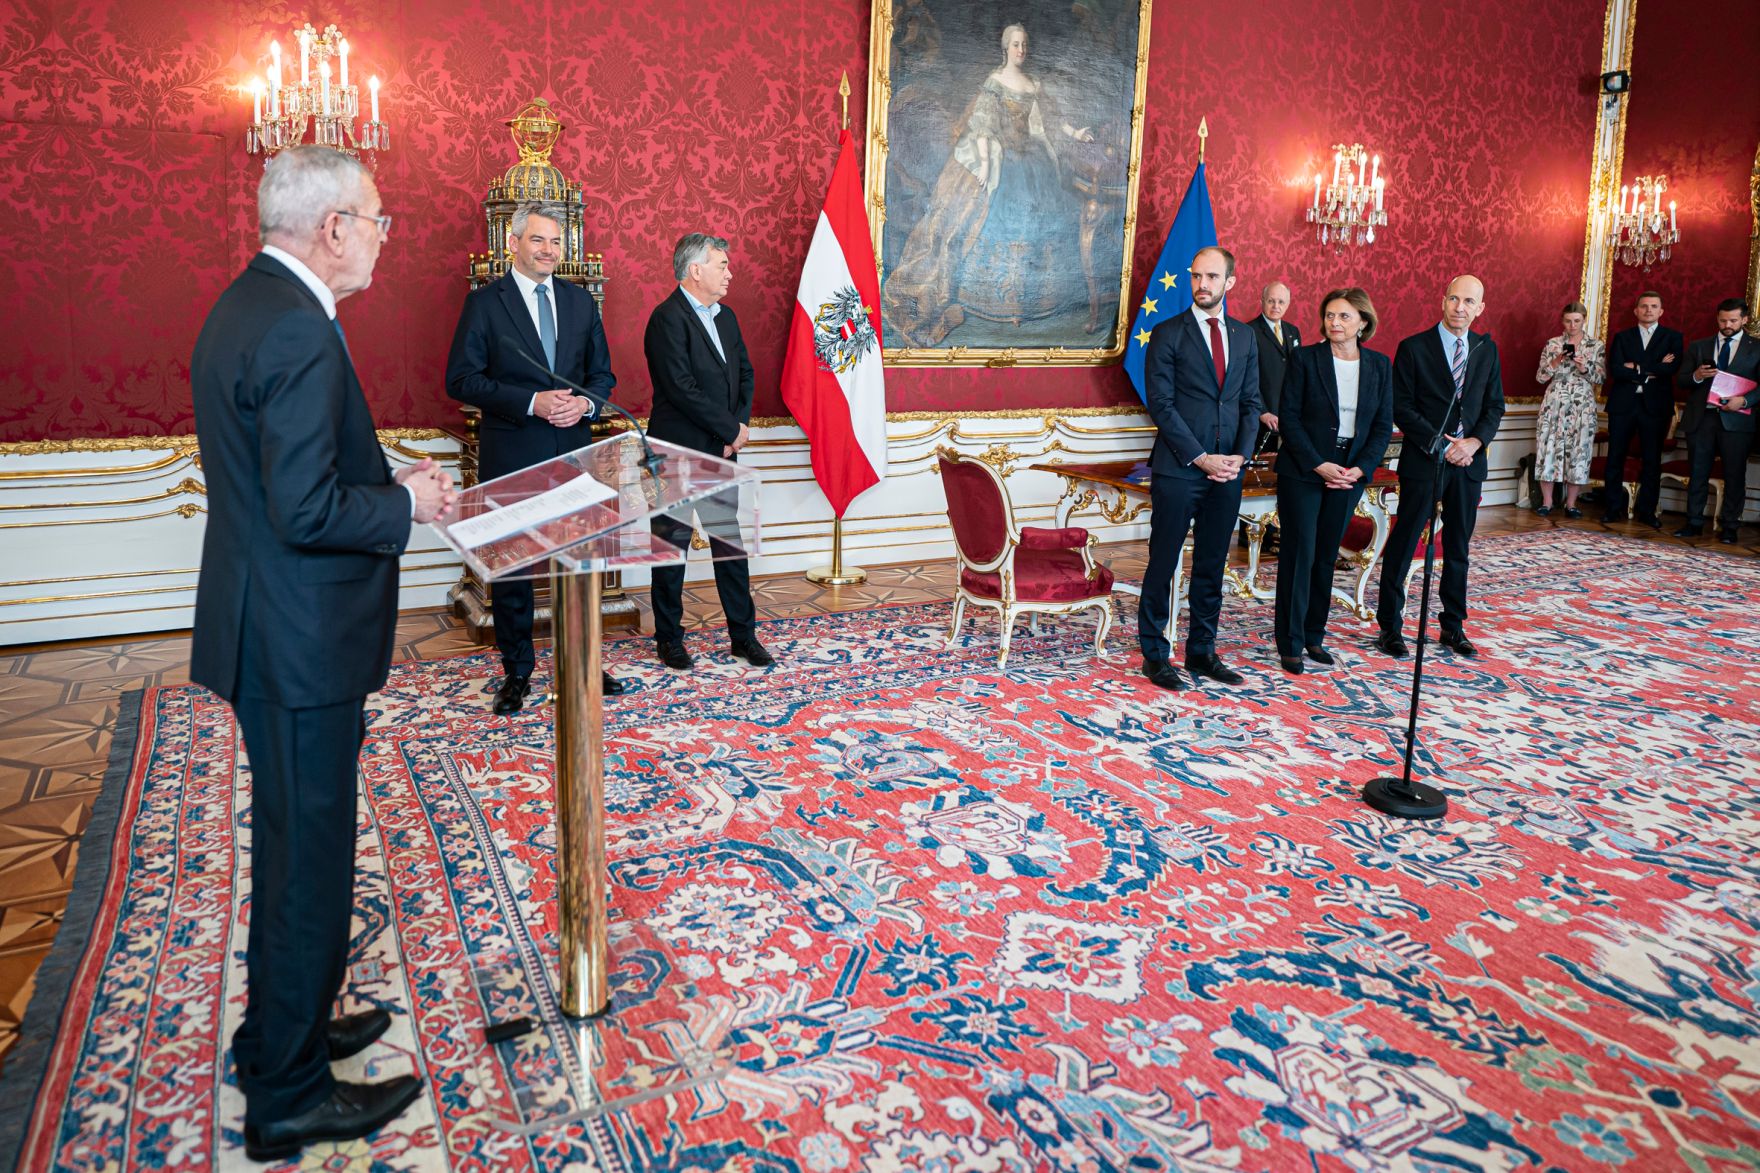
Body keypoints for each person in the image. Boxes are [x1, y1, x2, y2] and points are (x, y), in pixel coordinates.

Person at [188, 146, 448, 1161]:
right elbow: (303, 509)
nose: (385, 234)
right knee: (309, 865)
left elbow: (284, 467)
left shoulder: (248, 305)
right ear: (333, 226)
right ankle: (288, 1094)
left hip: (268, 625)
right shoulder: (299, 329)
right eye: (378, 218)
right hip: (299, 641)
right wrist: (408, 505)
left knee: (297, 849)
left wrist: (383, 471)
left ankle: (274, 1036)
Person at [446, 201, 624, 713]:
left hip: (574, 451)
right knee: (515, 569)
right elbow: (461, 379)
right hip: (514, 451)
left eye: (556, 242)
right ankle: (517, 670)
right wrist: (532, 402)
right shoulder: (485, 304)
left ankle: (581, 660)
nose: (549, 251)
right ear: (514, 244)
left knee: (579, 565)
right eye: (539, 241)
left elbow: (602, 374)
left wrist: (586, 403)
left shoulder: (579, 302)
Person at [881, 23, 1095, 347]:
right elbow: (982, 125)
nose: (1021, 50)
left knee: (1036, 222)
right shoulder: (995, 83)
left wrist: (1075, 134)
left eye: (1024, 44)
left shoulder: (1033, 83)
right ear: (1006, 48)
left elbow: (1051, 118)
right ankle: (991, 299)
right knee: (995, 218)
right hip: (1001, 159)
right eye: (1016, 45)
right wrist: (983, 164)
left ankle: (1032, 301)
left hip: (1032, 160)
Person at [644, 233, 773, 671]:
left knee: (728, 544)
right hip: (676, 452)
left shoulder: (727, 317)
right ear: (695, 270)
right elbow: (681, 389)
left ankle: (743, 636)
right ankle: (669, 640)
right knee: (670, 548)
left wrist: (737, 430)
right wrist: (728, 429)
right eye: (722, 264)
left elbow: (744, 373)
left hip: (722, 449)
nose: (729, 272)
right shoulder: (667, 319)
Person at [1137, 245, 1262, 691]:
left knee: (1211, 564)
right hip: (1179, 469)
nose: (1201, 284)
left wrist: (1240, 457)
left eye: (1211, 277)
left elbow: (1251, 403)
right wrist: (1200, 457)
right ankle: (1155, 654)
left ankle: (1202, 651)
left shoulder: (1246, 337)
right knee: (1163, 562)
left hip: (1228, 470)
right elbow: (1162, 406)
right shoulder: (1167, 333)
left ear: (1230, 282)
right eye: (1196, 276)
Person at [1374, 275, 1505, 659]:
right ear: (1443, 301)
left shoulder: (1486, 349)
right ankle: (1391, 628)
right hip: (1424, 461)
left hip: (1469, 463)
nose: (1459, 307)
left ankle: (1453, 627)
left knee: (1458, 547)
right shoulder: (1414, 347)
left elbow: (1494, 406)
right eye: (1453, 299)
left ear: (1480, 308)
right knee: (1404, 542)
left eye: (1468, 301)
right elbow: (1402, 405)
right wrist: (1439, 444)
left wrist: (1473, 443)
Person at [1272, 288, 1393, 674]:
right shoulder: (1305, 359)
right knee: (1300, 553)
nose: (1334, 323)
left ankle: (1313, 636)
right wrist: (1318, 465)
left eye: (1343, 316)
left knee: (1327, 556)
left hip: (1350, 470)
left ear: (1363, 322)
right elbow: (1288, 418)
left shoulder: (1378, 365)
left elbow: (1380, 425)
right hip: (1305, 470)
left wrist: (1361, 467)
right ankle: (1290, 642)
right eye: (1329, 316)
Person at [1673, 298, 1759, 542]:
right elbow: (1681, 380)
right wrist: (1697, 376)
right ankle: (1693, 522)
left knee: (1734, 474)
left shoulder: (1757, 348)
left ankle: (1730, 526)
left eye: (1733, 320)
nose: (1727, 324)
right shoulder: (1699, 346)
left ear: (1744, 319)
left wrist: (1744, 401)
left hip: (1737, 420)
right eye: (1723, 320)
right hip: (1702, 418)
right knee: (1697, 472)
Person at [1602, 292, 1682, 526]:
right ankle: (1612, 508)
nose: (1648, 310)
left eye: (1654, 306)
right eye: (1644, 306)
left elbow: (1671, 369)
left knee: (1651, 461)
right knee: (1615, 458)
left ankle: (1648, 512)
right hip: (1623, 405)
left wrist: (1635, 366)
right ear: (1636, 310)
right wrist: (1653, 367)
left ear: (1661, 311)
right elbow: (1616, 369)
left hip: (1655, 407)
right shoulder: (1622, 337)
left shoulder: (1672, 337)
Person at [1532, 302, 1606, 517]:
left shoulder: (1595, 345)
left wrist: (1584, 366)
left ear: (1584, 320)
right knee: (1548, 449)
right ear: (1562, 321)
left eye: (1577, 321)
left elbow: (1601, 377)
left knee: (1579, 452)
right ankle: (1547, 502)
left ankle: (1571, 504)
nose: (1572, 325)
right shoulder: (1553, 343)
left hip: (1582, 405)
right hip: (1554, 403)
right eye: (1568, 320)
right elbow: (1540, 377)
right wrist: (1557, 359)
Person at [1248, 281, 1301, 448]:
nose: (1276, 306)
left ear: (1288, 304)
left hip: (1289, 417)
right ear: (1262, 301)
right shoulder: (1248, 331)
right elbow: (1247, 378)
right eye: (1271, 301)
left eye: (1281, 302)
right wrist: (1262, 411)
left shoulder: (1293, 331)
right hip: (1261, 418)